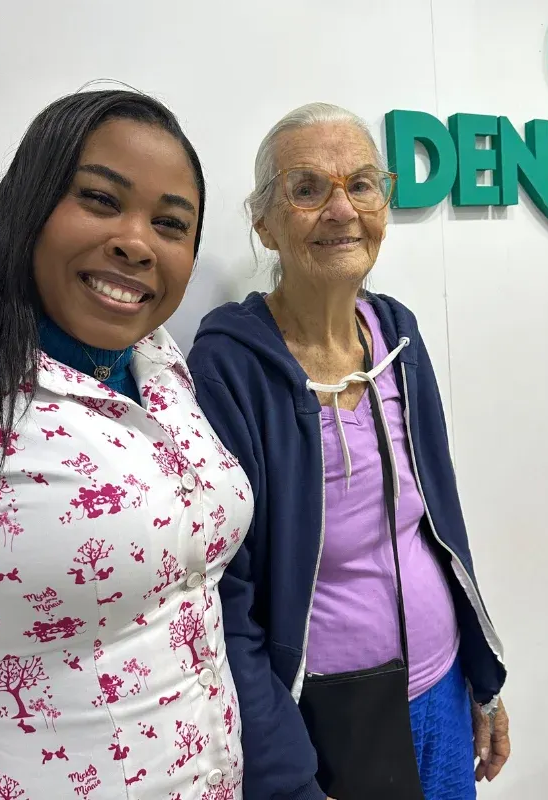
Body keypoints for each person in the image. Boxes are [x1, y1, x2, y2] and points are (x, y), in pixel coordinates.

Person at [0, 90, 251, 800]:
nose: (136, 242)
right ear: (28, 205)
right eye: (100, 199)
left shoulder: (157, 361)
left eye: (170, 224)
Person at [187, 103, 511, 800]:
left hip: (443, 681)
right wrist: (282, 769)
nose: (342, 210)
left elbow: (441, 523)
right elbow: (226, 595)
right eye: (307, 189)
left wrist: (483, 680)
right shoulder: (229, 368)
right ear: (264, 223)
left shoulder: (397, 334)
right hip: (326, 715)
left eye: (361, 184)